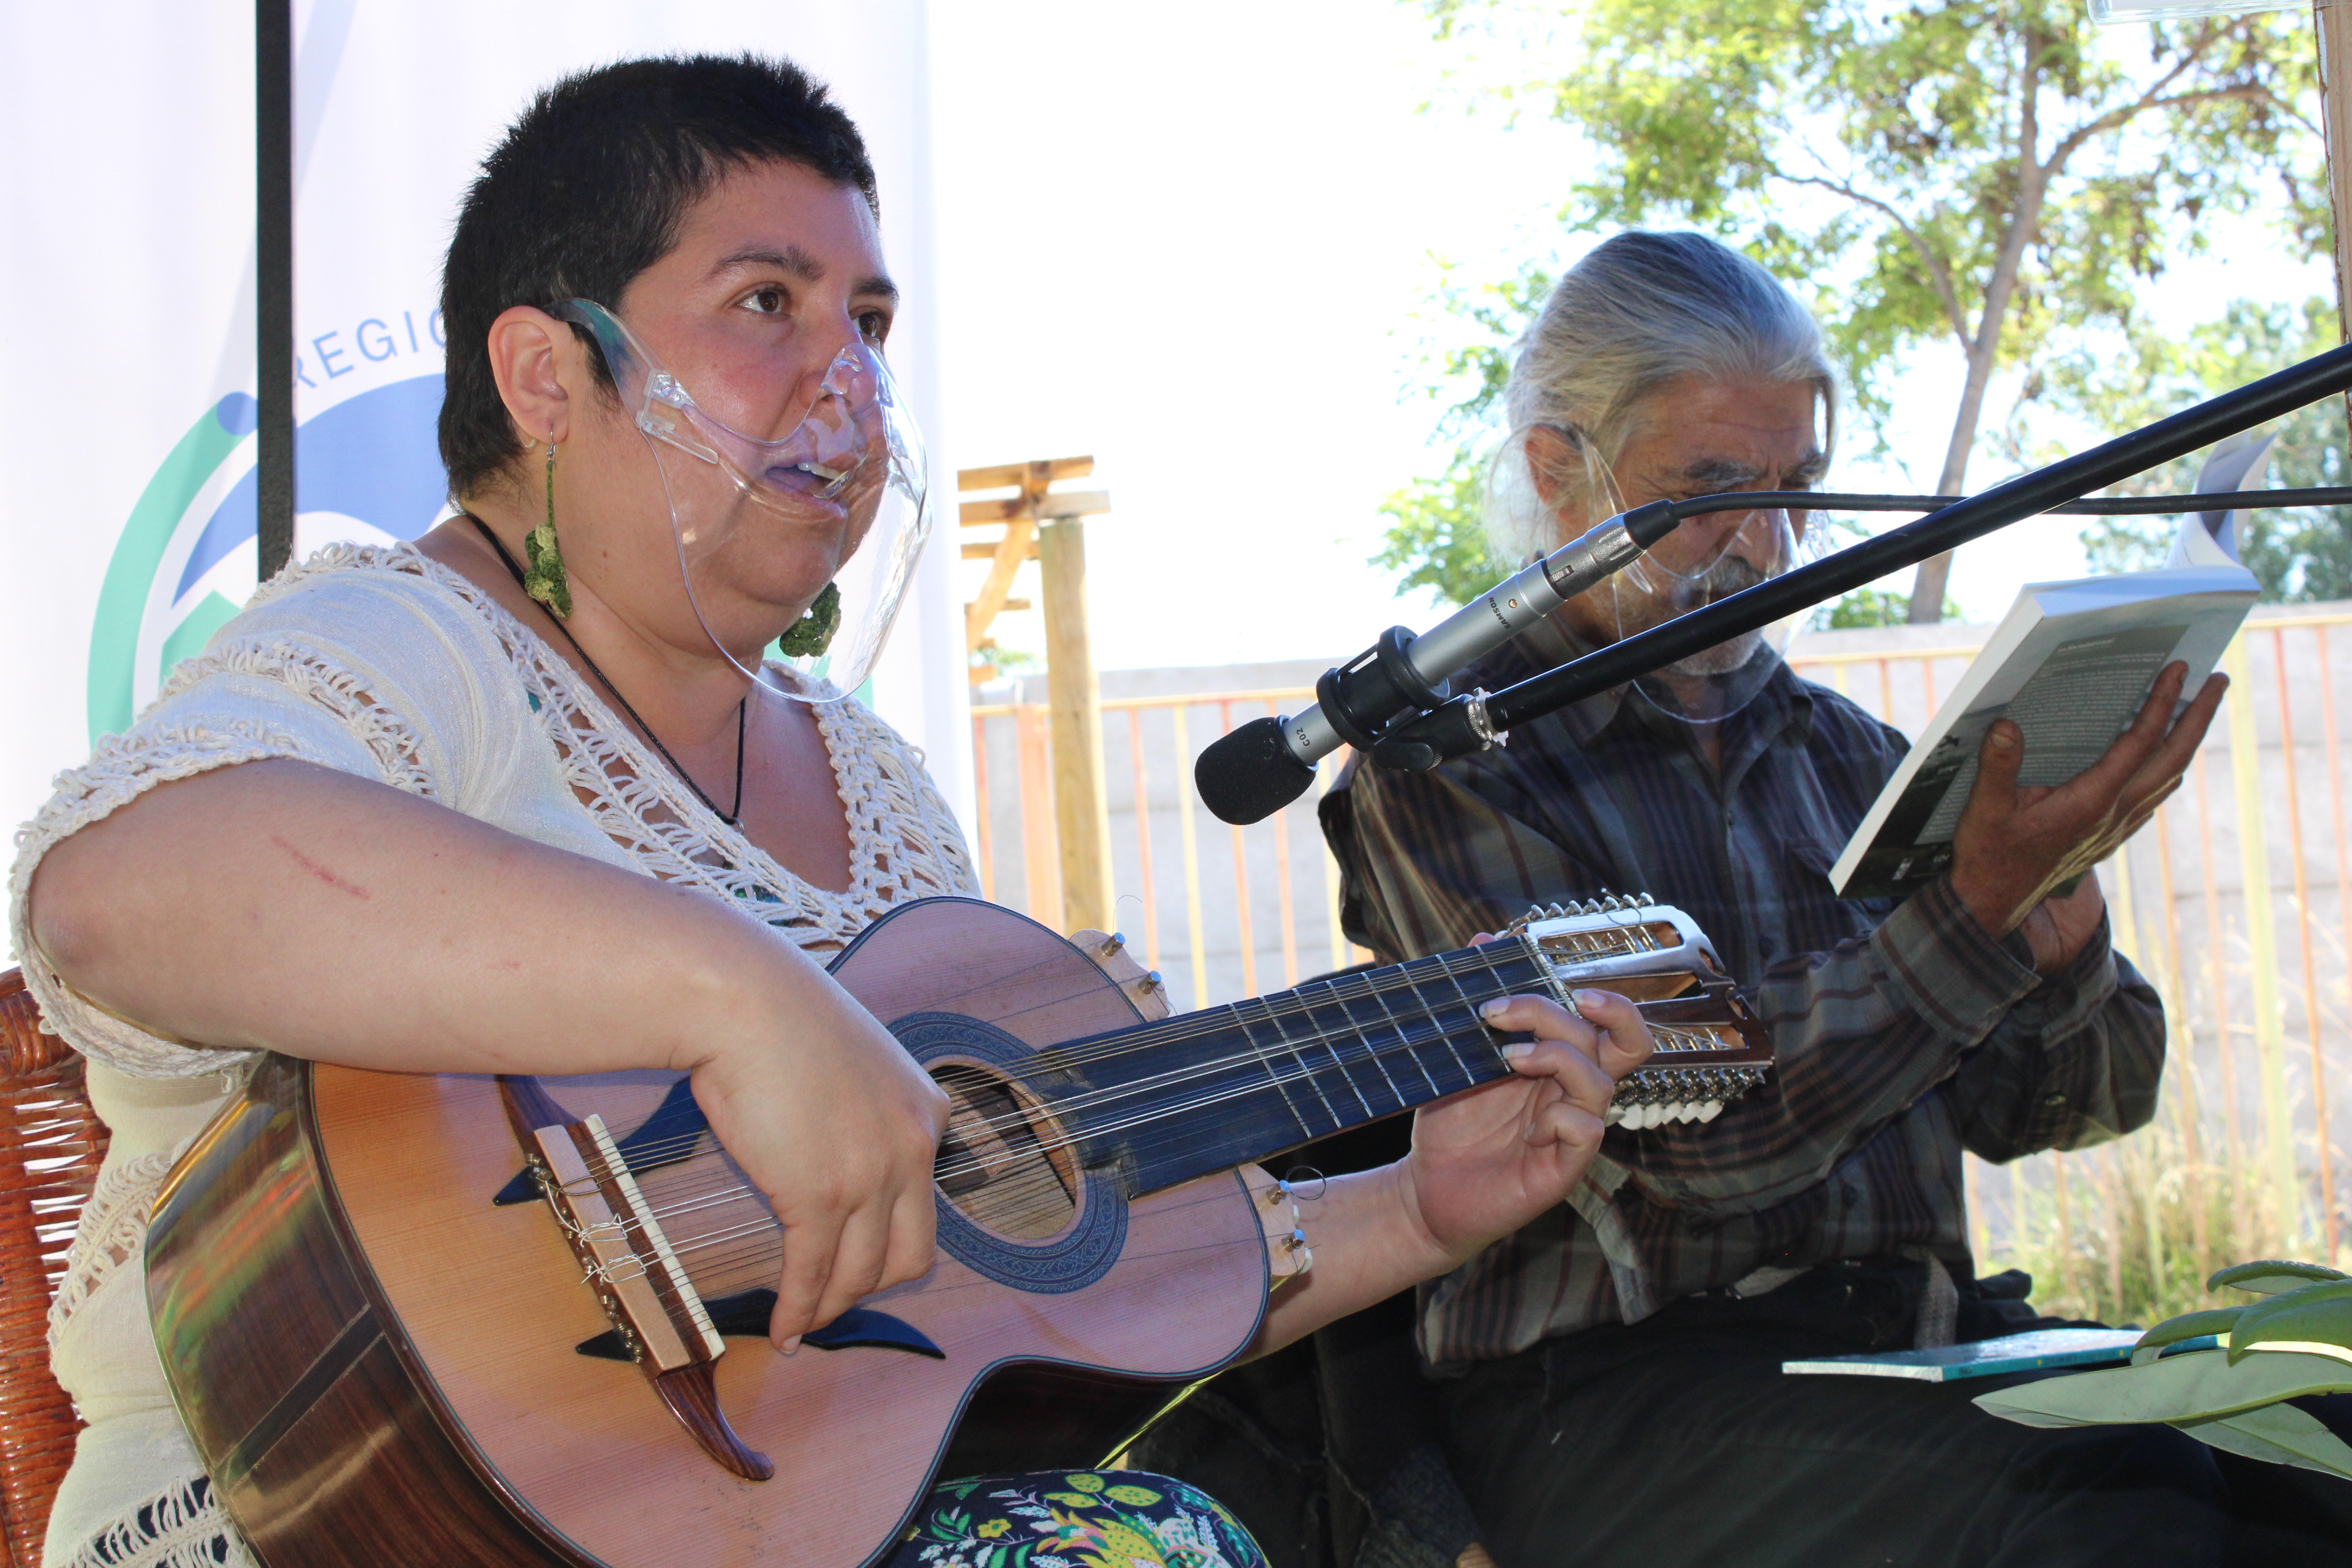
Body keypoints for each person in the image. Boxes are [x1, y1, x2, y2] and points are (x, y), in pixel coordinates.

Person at [9, 59, 1654, 1568]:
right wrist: (740, 1000)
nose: (846, 376)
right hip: (313, 1514)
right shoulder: (402, 641)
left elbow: (1015, 1310)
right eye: (767, 305)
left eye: (866, 317)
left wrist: (1412, 1210)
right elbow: (121, 892)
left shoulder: (876, 787)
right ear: (545, 373)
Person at [1317, 231, 2352, 1566]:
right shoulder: (1449, 766)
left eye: (1798, 484)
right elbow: (1691, 1147)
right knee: (2114, 1506)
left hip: (1919, 1349)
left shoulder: (1856, 757)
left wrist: (2058, 919)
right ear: (1555, 469)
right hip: (1615, 1400)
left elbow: (2080, 1102)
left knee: (2315, 1445)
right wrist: (1967, 918)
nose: (1770, 539)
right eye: (1710, 486)